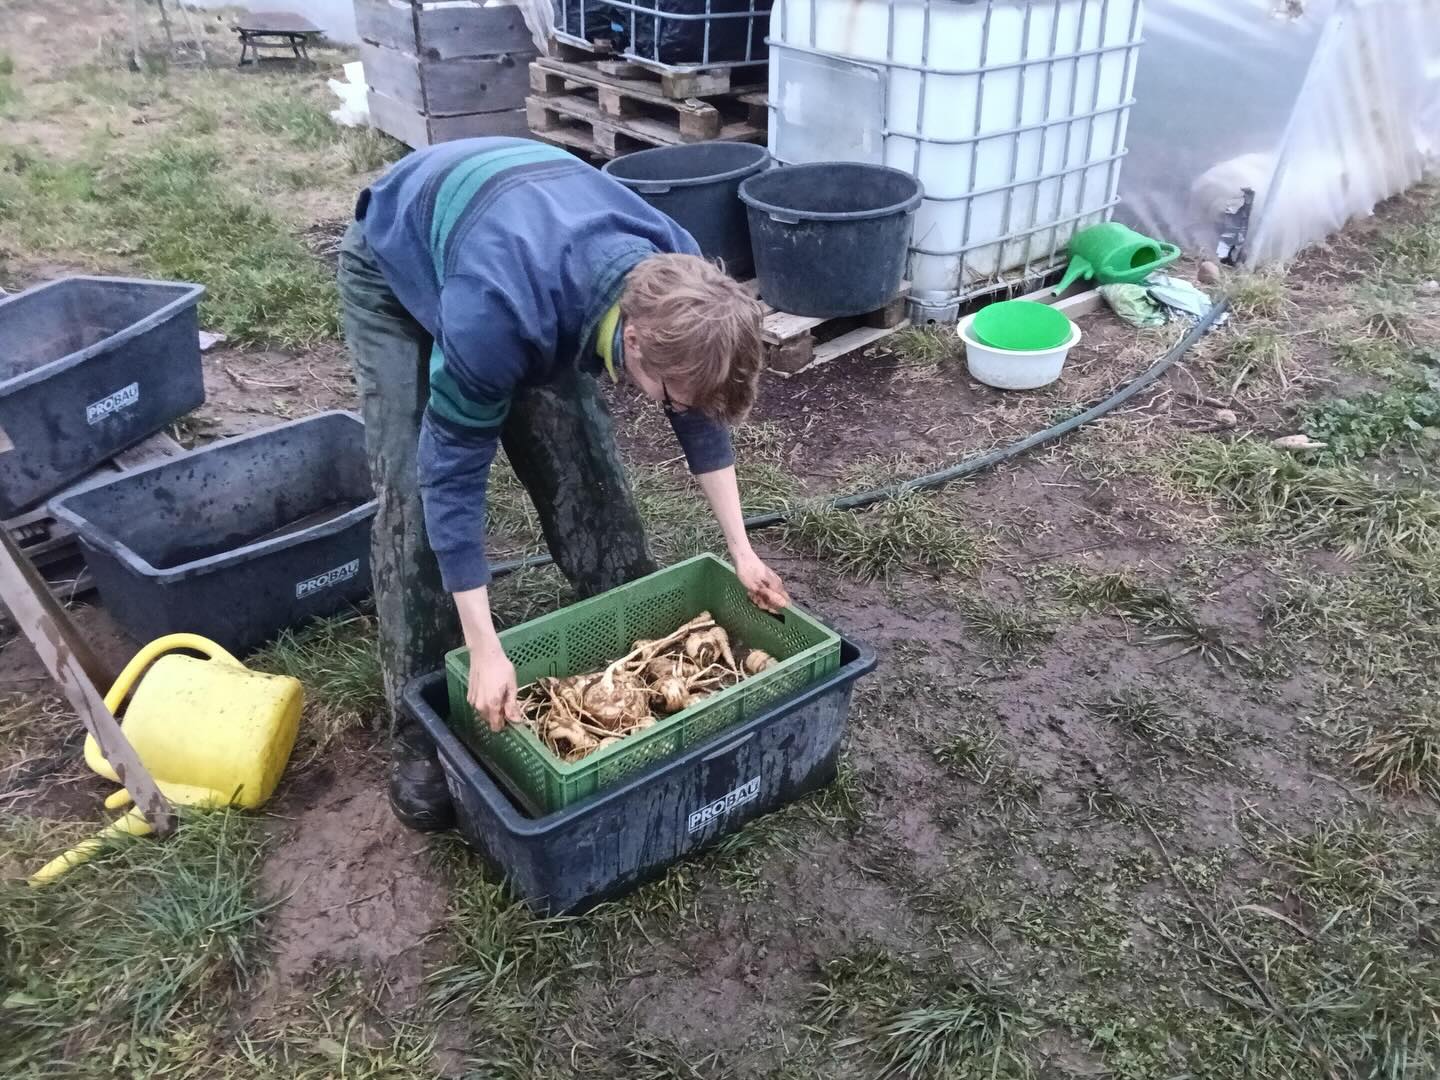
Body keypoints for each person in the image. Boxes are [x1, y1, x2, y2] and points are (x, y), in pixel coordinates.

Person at [338, 136, 791, 830]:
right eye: (665, 390)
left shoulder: (680, 271)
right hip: (402, 258)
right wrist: (486, 649)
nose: (671, 403)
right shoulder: (500, 312)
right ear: (633, 343)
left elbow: (697, 410)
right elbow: (451, 478)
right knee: (414, 489)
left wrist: (743, 551)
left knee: (587, 465)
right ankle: (426, 717)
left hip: (523, 230)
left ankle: (630, 639)